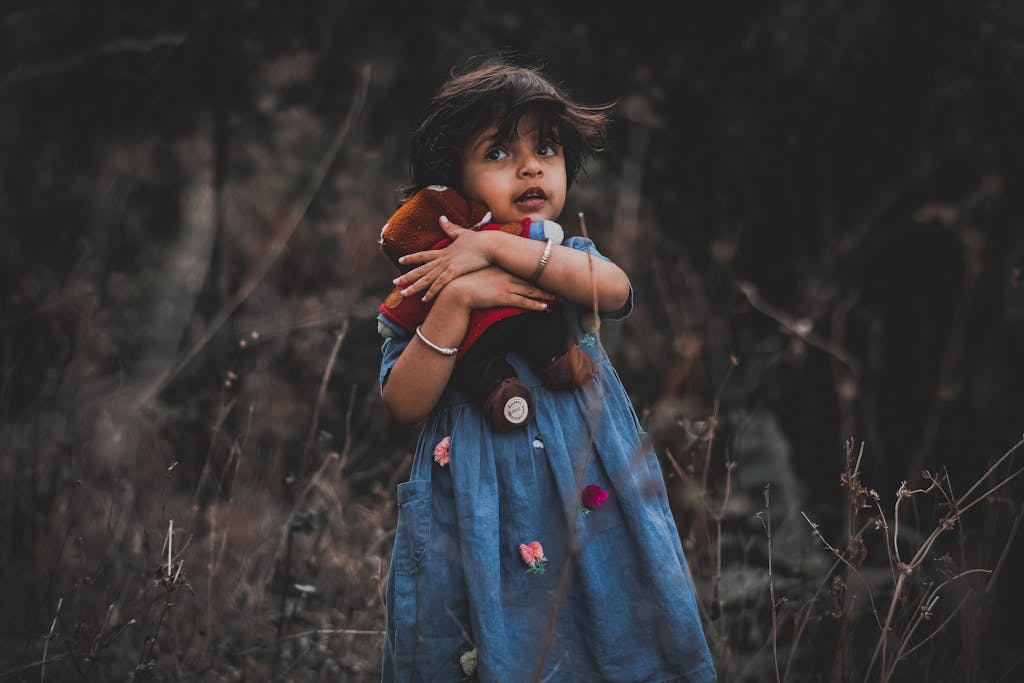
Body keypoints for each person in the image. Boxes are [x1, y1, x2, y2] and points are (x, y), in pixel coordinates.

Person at [377, 55, 717, 682]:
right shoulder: (430, 280)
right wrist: (458, 299)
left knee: (610, 624)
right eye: (499, 153)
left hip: (587, 488)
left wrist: (498, 246)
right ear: (452, 178)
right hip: (478, 503)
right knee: (486, 643)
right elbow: (402, 403)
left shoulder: (559, 253)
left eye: (547, 149)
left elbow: (613, 290)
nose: (531, 165)